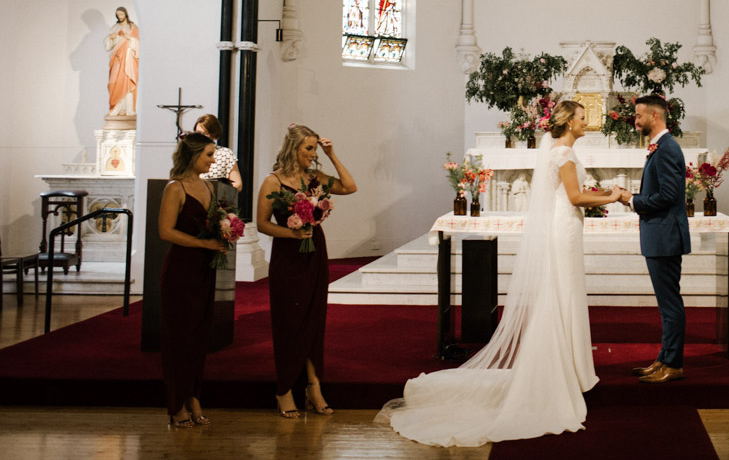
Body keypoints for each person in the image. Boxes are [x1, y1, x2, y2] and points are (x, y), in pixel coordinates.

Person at [377, 100, 622, 445]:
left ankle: (566, 368)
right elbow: (574, 197)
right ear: (569, 122)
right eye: (583, 119)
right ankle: (561, 372)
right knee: (562, 293)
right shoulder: (564, 154)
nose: (587, 123)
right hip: (564, 228)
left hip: (566, 226)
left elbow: (574, 194)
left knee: (563, 293)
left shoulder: (562, 152)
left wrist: (603, 194)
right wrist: (611, 195)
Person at [257, 125, 358, 418]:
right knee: (289, 322)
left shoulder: (316, 179)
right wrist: (293, 235)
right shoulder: (272, 182)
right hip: (288, 257)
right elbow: (263, 224)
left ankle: (313, 387)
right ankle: (284, 389)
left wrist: (332, 154)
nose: (313, 155)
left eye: (315, 148)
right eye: (309, 149)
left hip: (315, 253)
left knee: (314, 320)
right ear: (293, 149)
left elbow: (350, 187)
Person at [617, 94, 690, 383]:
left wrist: (631, 200)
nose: (635, 121)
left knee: (670, 304)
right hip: (660, 234)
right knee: (666, 304)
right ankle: (664, 359)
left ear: (655, 116)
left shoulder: (668, 148)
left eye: (639, 116)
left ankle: (673, 364)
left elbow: (669, 196)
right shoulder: (661, 147)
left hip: (665, 236)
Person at [157, 132, 226, 428]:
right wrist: (205, 245)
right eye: (209, 154)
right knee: (179, 338)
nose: (213, 160)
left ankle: (193, 396)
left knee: (198, 337)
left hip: (203, 270)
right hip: (181, 271)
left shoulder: (209, 186)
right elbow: (165, 232)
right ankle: (177, 404)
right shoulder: (175, 187)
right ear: (193, 155)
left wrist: (224, 232)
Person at [104, 6, 139, 117]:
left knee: (127, 82)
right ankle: (115, 108)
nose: (119, 17)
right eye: (118, 15)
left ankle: (126, 109)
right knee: (113, 82)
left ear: (125, 15)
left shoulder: (132, 27)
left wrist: (131, 39)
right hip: (117, 58)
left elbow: (139, 44)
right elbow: (108, 46)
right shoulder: (114, 28)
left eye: (121, 14)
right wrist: (111, 38)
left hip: (128, 59)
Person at [193, 114, 242, 192]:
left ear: (213, 133)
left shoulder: (225, 153)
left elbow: (238, 184)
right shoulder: (190, 153)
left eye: (205, 133)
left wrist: (216, 189)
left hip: (217, 199)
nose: (201, 136)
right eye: (198, 133)